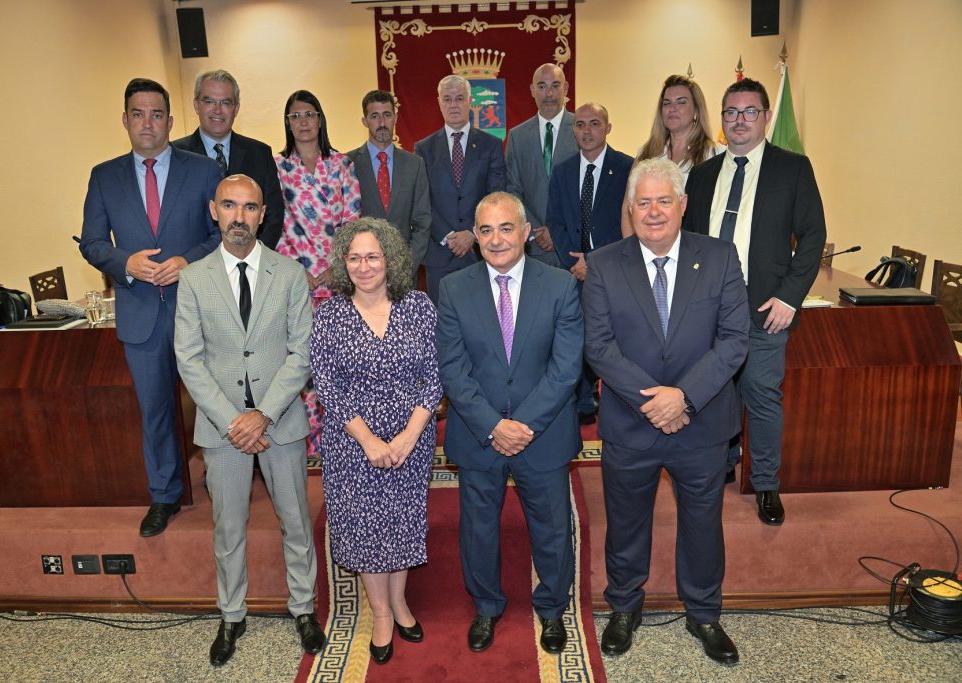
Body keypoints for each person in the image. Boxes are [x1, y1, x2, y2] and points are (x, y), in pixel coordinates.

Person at [583, 159, 749, 665]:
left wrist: (684, 397)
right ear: (630, 209)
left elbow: (734, 340)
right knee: (626, 522)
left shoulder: (720, 257)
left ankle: (704, 614)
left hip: (701, 421)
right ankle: (624, 607)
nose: (653, 212)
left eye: (663, 201)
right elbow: (599, 346)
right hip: (631, 422)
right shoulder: (604, 264)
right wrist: (654, 401)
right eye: (643, 202)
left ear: (682, 204)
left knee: (703, 524)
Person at [174, 174, 325, 666]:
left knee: (296, 521)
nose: (239, 217)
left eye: (249, 207)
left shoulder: (290, 274)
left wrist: (262, 415)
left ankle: (304, 608)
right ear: (214, 211)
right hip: (223, 430)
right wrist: (233, 421)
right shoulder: (194, 278)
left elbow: (302, 352)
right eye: (229, 205)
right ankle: (231, 613)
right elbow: (189, 359)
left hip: (279, 422)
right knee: (228, 527)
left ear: (263, 214)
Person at [437, 191, 583, 656]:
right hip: (479, 433)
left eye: (505, 228)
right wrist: (492, 425)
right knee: (478, 527)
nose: (496, 239)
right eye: (486, 230)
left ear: (525, 233)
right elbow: (452, 369)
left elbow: (566, 368)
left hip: (543, 432)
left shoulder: (560, 285)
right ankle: (486, 606)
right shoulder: (454, 288)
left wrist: (522, 425)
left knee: (552, 526)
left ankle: (553, 608)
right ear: (475, 236)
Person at [79, 78, 221, 537]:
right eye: (138, 114)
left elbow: (223, 235)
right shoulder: (105, 176)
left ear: (170, 121)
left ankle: (225, 483)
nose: (147, 123)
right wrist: (126, 264)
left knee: (215, 404)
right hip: (141, 314)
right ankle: (164, 495)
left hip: (197, 309)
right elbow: (92, 242)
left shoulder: (203, 171)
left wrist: (187, 261)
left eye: (156, 114)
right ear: (125, 120)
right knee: (155, 411)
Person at [683, 78, 826, 525]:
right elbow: (689, 242)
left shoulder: (792, 168)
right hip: (708, 308)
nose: (739, 120)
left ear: (766, 117)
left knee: (762, 395)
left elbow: (813, 236)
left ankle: (765, 484)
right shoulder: (702, 175)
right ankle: (722, 465)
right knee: (712, 392)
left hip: (765, 308)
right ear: (722, 120)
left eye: (749, 112)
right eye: (731, 112)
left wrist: (790, 297)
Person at [310, 217, 441, 665]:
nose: (364, 266)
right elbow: (327, 386)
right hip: (352, 443)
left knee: (401, 521)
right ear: (342, 263)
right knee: (365, 525)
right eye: (354, 258)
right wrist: (368, 440)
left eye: (373, 257)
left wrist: (408, 436)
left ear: (391, 260)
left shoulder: (419, 306)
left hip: (411, 439)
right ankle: (381, 611)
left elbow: (435, 375)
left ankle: (400, 601)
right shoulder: (329, 316)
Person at [275, 89, 362, 454]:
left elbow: (353, 219)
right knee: (303, 362)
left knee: (341, 361)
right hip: (296, 280)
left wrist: (334, 266)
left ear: (320, 119)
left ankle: (345, 436)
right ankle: (309, 440)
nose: (303, 122)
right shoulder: (278, 167)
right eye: (295, 116)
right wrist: (298, 271)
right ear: (288, 123)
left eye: (309, 114)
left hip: (338, 279)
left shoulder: (341, 164)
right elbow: (274, 225)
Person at [545, 102, 634, 423]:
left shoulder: (627, 168)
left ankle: (616, 398)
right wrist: (574, 261)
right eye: (580, 124)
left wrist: (594, 261)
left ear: (608, 128)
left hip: (614, 269)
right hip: (572, 269)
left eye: (594, 123)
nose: (587, 130)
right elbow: (554, 220)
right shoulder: (562, 170)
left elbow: (630, 221)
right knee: (576, 336)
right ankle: (584, 401)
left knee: (610, 337)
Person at [415, 75, 507, 304]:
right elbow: (422, 200)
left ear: (470, 102)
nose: (453, 105)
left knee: (481, 317)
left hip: (480, 252)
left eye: (459, 98)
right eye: (447, 99)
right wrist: (448, 236)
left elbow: (496, 196)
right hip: (439, 254)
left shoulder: (491, 145)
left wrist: (471, 233)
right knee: (442, 320)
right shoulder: (424, 149)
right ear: (439, 103)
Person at [173, 69, 286, 250]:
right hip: (193, 261)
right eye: (209, 101)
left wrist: (251, 256)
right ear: (196, 105)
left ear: (236, 108)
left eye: (225, 102)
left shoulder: (260, 153)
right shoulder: (175, 155)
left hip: (249, 259)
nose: (217, 110)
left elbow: (273, 214)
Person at [622, 74, 724, 238]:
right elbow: (629, 208)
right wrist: (633, 250)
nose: (672, 108)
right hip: (649, 245)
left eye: (681, 102)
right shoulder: (646, 154)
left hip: (696, 246)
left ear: (696, 110)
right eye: (666, 103)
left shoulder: (714, 154)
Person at [347, 90, 432, 278]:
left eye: (387, 115)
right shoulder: (348, 163)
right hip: (362, 273)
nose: (382, 122)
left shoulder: (415, 164)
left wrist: (407, 265)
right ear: (365, 121)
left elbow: (423, 221)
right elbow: (343, 225)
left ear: (395, 118)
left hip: (404, 272)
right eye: (374, 116)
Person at [505, 63, 577, 268]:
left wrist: (558, 230)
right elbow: (512, 189)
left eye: (555, 85)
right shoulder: (517, 136)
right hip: (533, 246)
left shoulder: (582, 130)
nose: (549, 93)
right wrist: (537, 231)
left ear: (566, 88)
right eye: (542, 86)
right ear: (532, 90)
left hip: (574, 244)